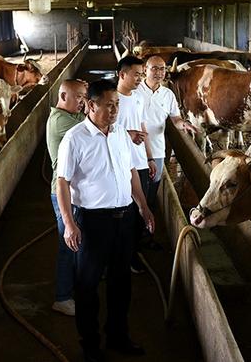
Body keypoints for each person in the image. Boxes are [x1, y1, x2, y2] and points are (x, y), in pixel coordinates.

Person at [56, 79, 155, 362]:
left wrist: (144, 207)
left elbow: (132, 173)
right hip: (92, 220)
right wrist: (70, 224)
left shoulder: (121, 134)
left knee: (120, 282)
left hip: (124, 218)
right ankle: (90, 345)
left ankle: (118, 336)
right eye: (108, 105)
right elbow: (62, 183)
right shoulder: (75, 138)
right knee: (87, 284)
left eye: (117, 105)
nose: (114, 110)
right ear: (90, 105)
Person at [46, 79, 87, 316]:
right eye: (79, 97)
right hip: (62, 192)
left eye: (84, 97)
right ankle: (62, 297)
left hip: (74, 190)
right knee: (67, 243)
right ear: (64, 96)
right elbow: (92, 128)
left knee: (76, 241)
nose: (83, 102)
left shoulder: (70, 117)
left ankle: (76, 285)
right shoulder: (61, 121)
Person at [139, 55, 197, 209]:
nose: (159, 72)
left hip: (157, 148)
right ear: (145, 70)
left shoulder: (168, 94)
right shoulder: (135, 91)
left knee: (153, 183)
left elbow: (175, 119)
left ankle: (147, 218)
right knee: (136, 187)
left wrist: (184, 124)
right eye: (155, 68)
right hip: (135, 148)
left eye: (163, 69)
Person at [114, 55, 156, 273]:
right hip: (119, 165)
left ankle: (132, 254)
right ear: (122, 74)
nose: (140, 79)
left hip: (138, 162)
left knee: (140, 212)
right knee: (124, 214)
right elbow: (103, 130)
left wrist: (149, 157)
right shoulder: (112, 100)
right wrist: (127, 133)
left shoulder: (138, 99)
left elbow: (142, 127)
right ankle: (122, 257)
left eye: (141, 74)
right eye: (136, 74)